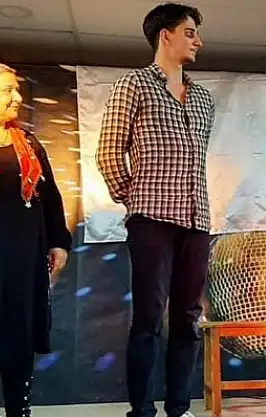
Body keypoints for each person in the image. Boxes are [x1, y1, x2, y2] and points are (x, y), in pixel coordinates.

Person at [95, 3, 214, 417]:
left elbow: (197, 159)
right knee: (148, 316)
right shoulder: (134, 84)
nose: (198, 41)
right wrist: (135, 200)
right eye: (190, 32)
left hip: (197, 220)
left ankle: (179, 407)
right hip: (152, 220)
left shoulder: (203, 99)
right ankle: (142, 410)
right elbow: (109, 151)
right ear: (166, 35)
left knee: (188, 318)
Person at [0, 62, 71, 417]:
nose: (17, 97)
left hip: (23, 269)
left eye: (17, 89)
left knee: (19, 348)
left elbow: (50, 198)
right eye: (7, 90)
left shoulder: (29, 144)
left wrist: (58, 241)